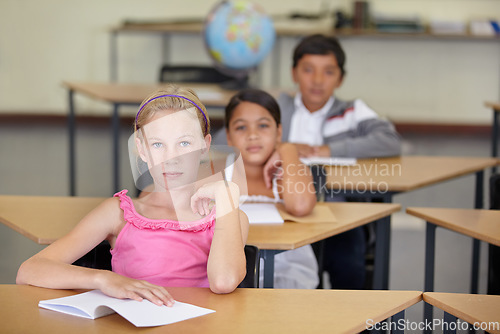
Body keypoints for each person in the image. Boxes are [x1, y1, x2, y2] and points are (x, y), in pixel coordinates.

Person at [17, 85, 249, 305]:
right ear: (142, 149)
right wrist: (103, 279)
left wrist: (227, 194)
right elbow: (30, 270)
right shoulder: (118, 212)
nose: (172, 157)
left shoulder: (228, 216)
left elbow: (223, 281)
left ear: (204, 146)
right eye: (158, 145)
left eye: (184, 143)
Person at [278, 34, 402, 289]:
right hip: (282, 207)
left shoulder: (352, 111)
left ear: (340, 78)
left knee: (349, 264)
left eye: (328, 72)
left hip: (336, 209)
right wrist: (283, 148)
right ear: (294, 73)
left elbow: (390, 140)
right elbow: (234, 139)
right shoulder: (278, 107)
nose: (317, 80)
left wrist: (329, 150)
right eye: (308, 70)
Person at [224, 88, 319, 289]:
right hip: (229, 275)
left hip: (288, 273)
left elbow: (300, 206)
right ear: (229, 137)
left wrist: (287, 149)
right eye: (241, 128)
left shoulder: (292, 170)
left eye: (263, 126)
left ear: (279, 132)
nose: (252, 135)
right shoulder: (219, 174)